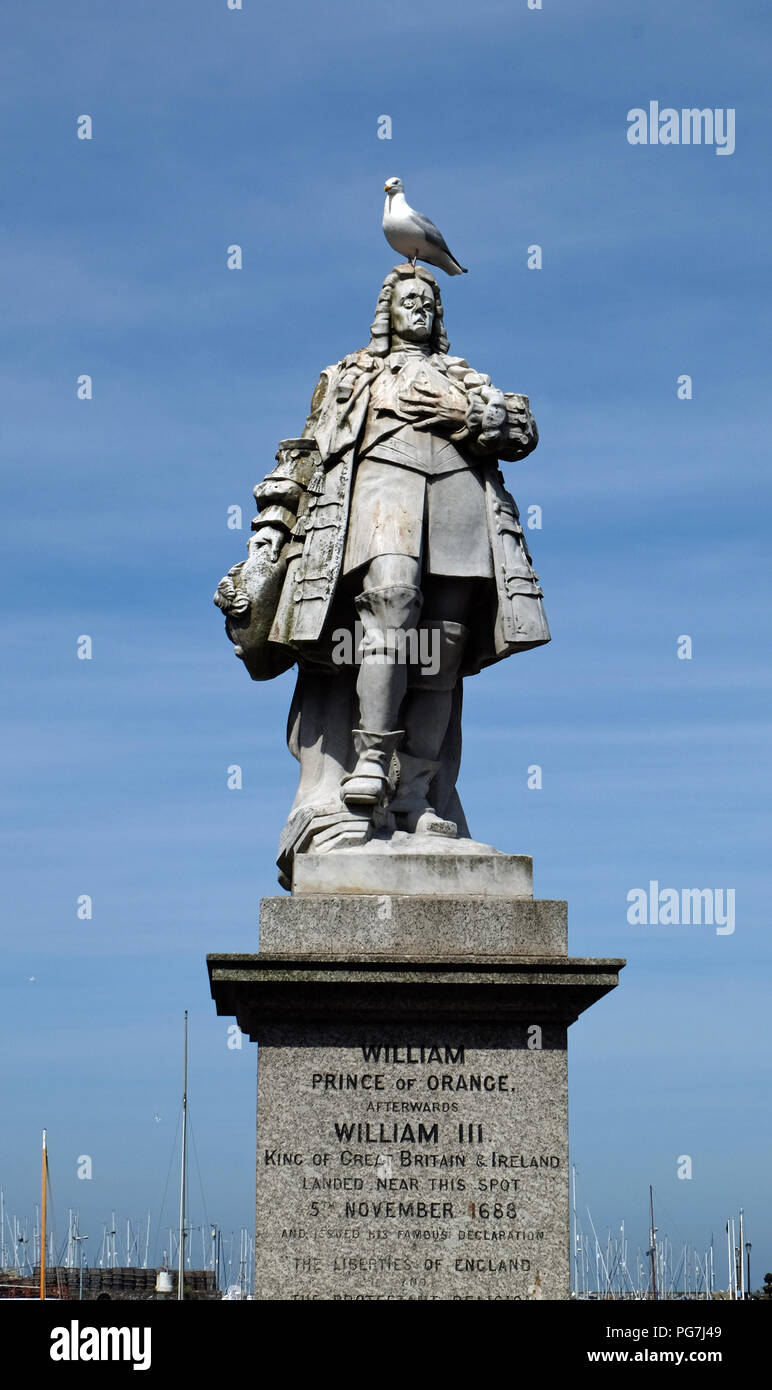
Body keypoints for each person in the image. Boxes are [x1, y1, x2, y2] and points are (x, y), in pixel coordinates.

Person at [215, 264, 549, 885]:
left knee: (442, 646)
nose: (418, 307)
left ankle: (417, 795)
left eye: (428, 300)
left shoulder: (465, 379)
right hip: (381, 488)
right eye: (408, 298)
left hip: (458, 498)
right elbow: (306, 457)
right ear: (386, 310)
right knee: (390, 603)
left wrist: (468, 416)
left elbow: (522, 431)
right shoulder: (349, 373)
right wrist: (266, 542)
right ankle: (369, 763)